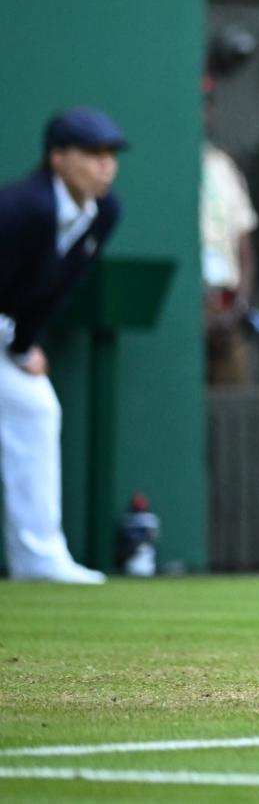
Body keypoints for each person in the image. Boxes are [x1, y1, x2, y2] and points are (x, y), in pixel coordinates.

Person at [0, 109, 126, 584]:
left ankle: (37, 558)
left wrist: (22, 345)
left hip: (6, 333)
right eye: (93, 154)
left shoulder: (105, 212)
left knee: (36, 409)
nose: (105, 165)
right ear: (57, 158)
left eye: (110, 154)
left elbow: (59, 289)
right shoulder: (22, 208)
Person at [200, 82, 259, 386]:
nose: (202, 113)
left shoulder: (223, 166)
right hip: (188, 309)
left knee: (231, 397)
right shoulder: (168, 164)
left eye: (207, 105)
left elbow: (244, 246)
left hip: (225, 309)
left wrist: (238, 307)